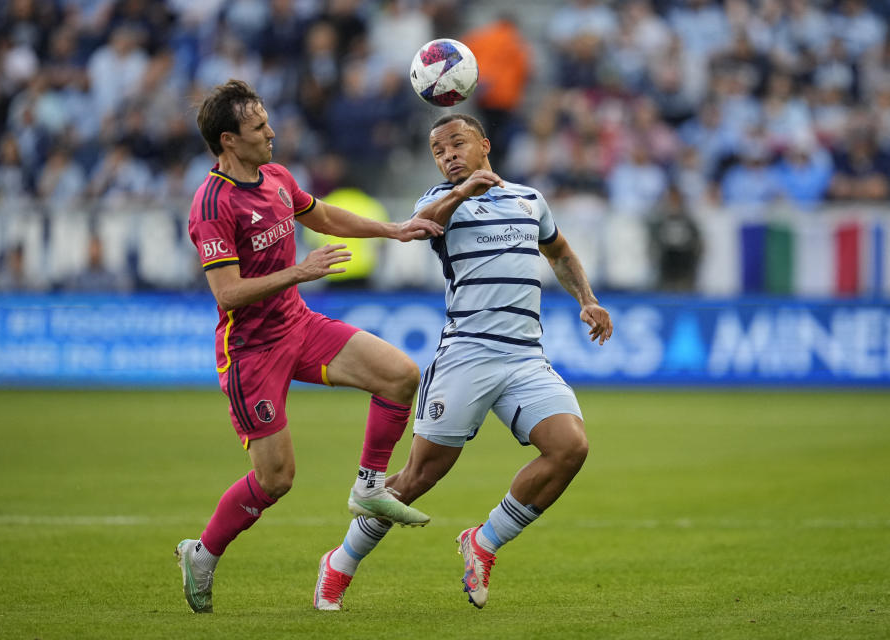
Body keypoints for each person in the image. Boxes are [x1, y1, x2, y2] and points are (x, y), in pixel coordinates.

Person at [314, 113, 613, 611]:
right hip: (466, 354)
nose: (448, 154)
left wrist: (587, 297)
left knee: (570, 447)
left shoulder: (529, 200)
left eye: (457, 143)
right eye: (438, 149)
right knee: (416, 479)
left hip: (524, 356)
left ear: (485, 145)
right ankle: (340, 563)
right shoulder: (435, 203)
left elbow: (558, 251)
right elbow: (428, 222)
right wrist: (462, 191)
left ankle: (484, 541)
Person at [174, 80, 443, 614]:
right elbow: (227, 294)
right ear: (229, 140)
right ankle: (202, 552)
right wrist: (299, 270)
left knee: (401, 375)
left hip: (298, 325)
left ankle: (369, 485)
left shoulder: (275, 177)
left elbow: (320, 216)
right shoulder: (212, 205)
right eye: (259, 128)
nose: (272, 132)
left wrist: (393, 230)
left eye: (269, 121)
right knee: (277, 479)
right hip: (250, 350)